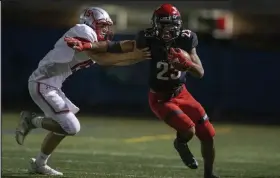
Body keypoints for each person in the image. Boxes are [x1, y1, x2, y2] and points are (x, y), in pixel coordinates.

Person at [15, 7, 151, 176]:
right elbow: (103, 59)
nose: (106, 30)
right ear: (90, 23)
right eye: (102, 25)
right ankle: (31, 120)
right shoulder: (83, 31)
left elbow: (115, 51)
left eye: (107, 26)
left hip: (52, 86)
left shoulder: (92, 38)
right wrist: (135, 56)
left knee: (63, 127)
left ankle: (39, 163)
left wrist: (138, 50)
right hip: (42, 83)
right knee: (71, 127)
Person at [135, 4, 219, 178]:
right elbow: (127, 50)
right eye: (164, 26)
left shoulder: (186, 39)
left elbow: (200, 72)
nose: (168, 31)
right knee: (188, 130)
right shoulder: (146, 38)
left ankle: (209, 174)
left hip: (182, 93)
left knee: (208, 134)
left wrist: (187, 64)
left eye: (171, 26)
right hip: (160, 98)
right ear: (156, 25)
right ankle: (180, 143)